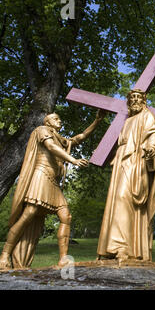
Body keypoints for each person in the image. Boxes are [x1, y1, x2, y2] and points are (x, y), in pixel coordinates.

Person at [0, 110, 106, 269]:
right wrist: (73, 160)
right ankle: (4, 256)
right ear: (47, 122)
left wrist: (97, 121)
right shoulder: (41, 130)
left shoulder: (61, 139)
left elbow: (80, 137)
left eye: (59, 119)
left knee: (66, 216)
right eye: (56, 119)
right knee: (29, 214)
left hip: (53, 183)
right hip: (41, 176)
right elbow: (50, 147)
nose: (60, 121)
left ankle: (63, 258)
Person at [97, 89, 155, 263]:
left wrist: (152, 148)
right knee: (116, 200)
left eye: (138, 97)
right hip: (121, 163)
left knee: (123, 198)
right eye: (132, 98)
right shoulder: (127, 121)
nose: (135, 100)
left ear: (143, 100)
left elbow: (154, 133)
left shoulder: (147, 116)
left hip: (137, 162)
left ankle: (122, 247)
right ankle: (114, 248)